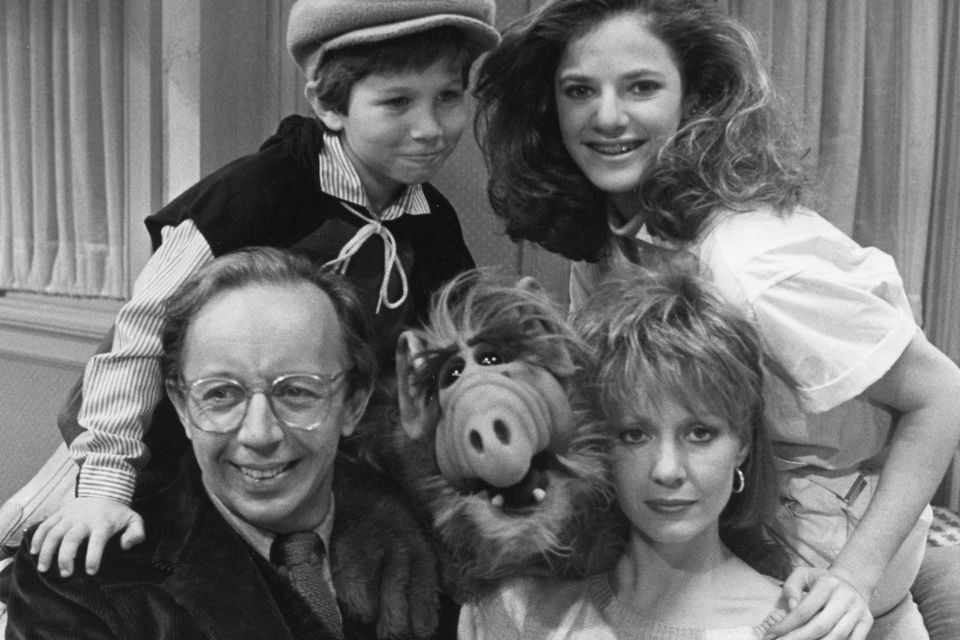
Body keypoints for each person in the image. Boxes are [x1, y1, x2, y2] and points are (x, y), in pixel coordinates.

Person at [473, 1, 960, 638]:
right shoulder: (610, 240)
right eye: (579, 91)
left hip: (828, 591)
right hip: (709, 551)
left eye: (641, 87)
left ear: (696, 98)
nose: (608, 116)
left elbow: (942, 393)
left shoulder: (752, 262)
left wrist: (855, 578)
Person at [28, 0, 500, 588]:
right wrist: (104, 486)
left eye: (448, 98)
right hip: (173, 451)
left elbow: (455, 343)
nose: (430, 128)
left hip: (308, 460)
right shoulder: (253, 192)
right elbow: (140, 335)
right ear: (329, 105)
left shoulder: (430, 221)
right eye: (397, 102)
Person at [4, 247, 458, 639]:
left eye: (297, 391)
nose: (259, 434)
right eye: (221, 394)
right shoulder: (78, 581)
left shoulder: (438, 533)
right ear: (182, 407)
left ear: (353, 405)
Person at [461, 267, 793, 639]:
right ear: (598, 443)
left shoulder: (803, 626)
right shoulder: (518, 612)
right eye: (635, 435)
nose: (667, 470)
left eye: (700, 433)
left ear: (743, 442)